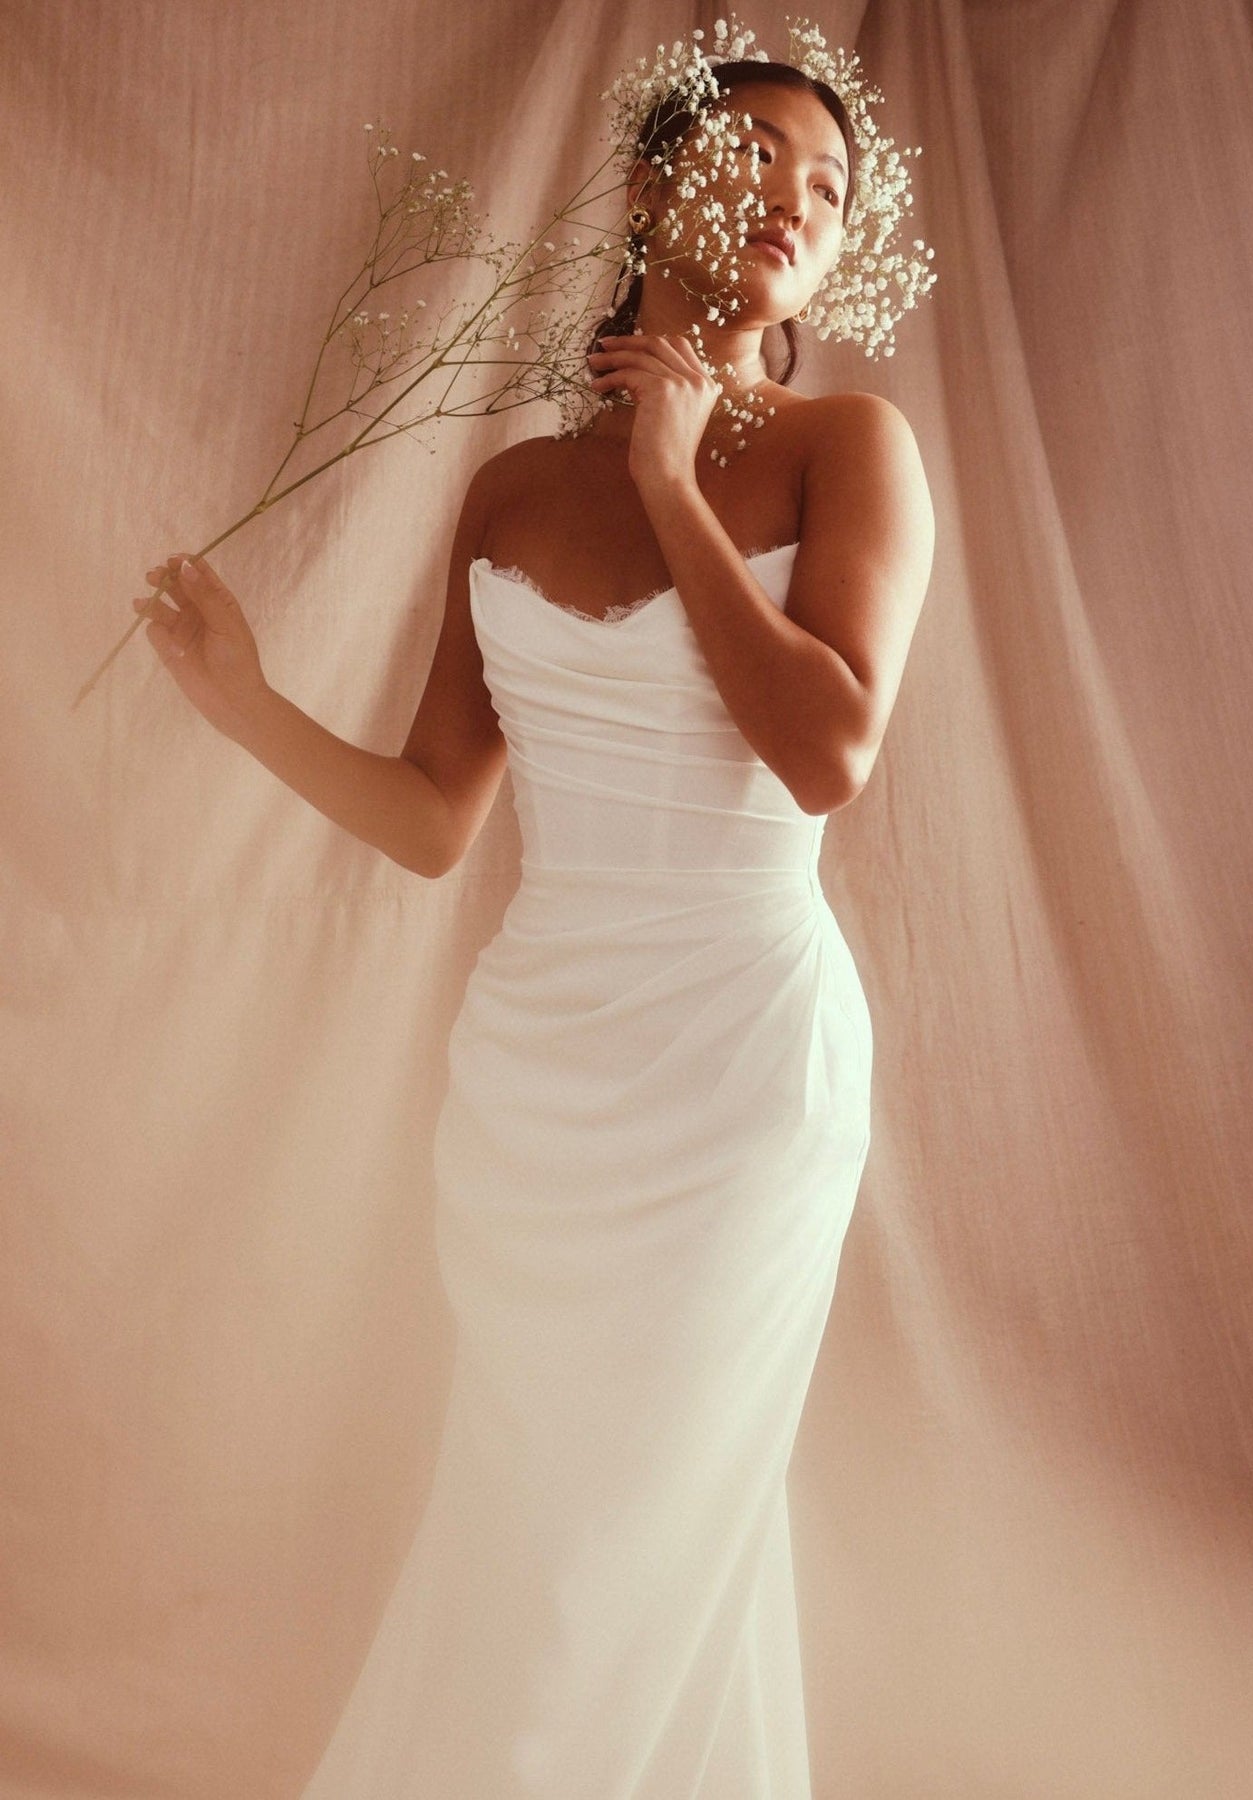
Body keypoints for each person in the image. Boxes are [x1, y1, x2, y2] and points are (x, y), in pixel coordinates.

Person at [137, 48, 934, 1800]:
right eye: (763, 152)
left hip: (738, 1075)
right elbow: (437, 819)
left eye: (830, 187)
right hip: (535, 1088)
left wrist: (671, 479)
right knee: (544, 1524)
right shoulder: (506, 492)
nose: (800, 199)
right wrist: (244, 706)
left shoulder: (848, 451)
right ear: (651, 185)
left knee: (624, 1542)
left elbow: (827, 753)